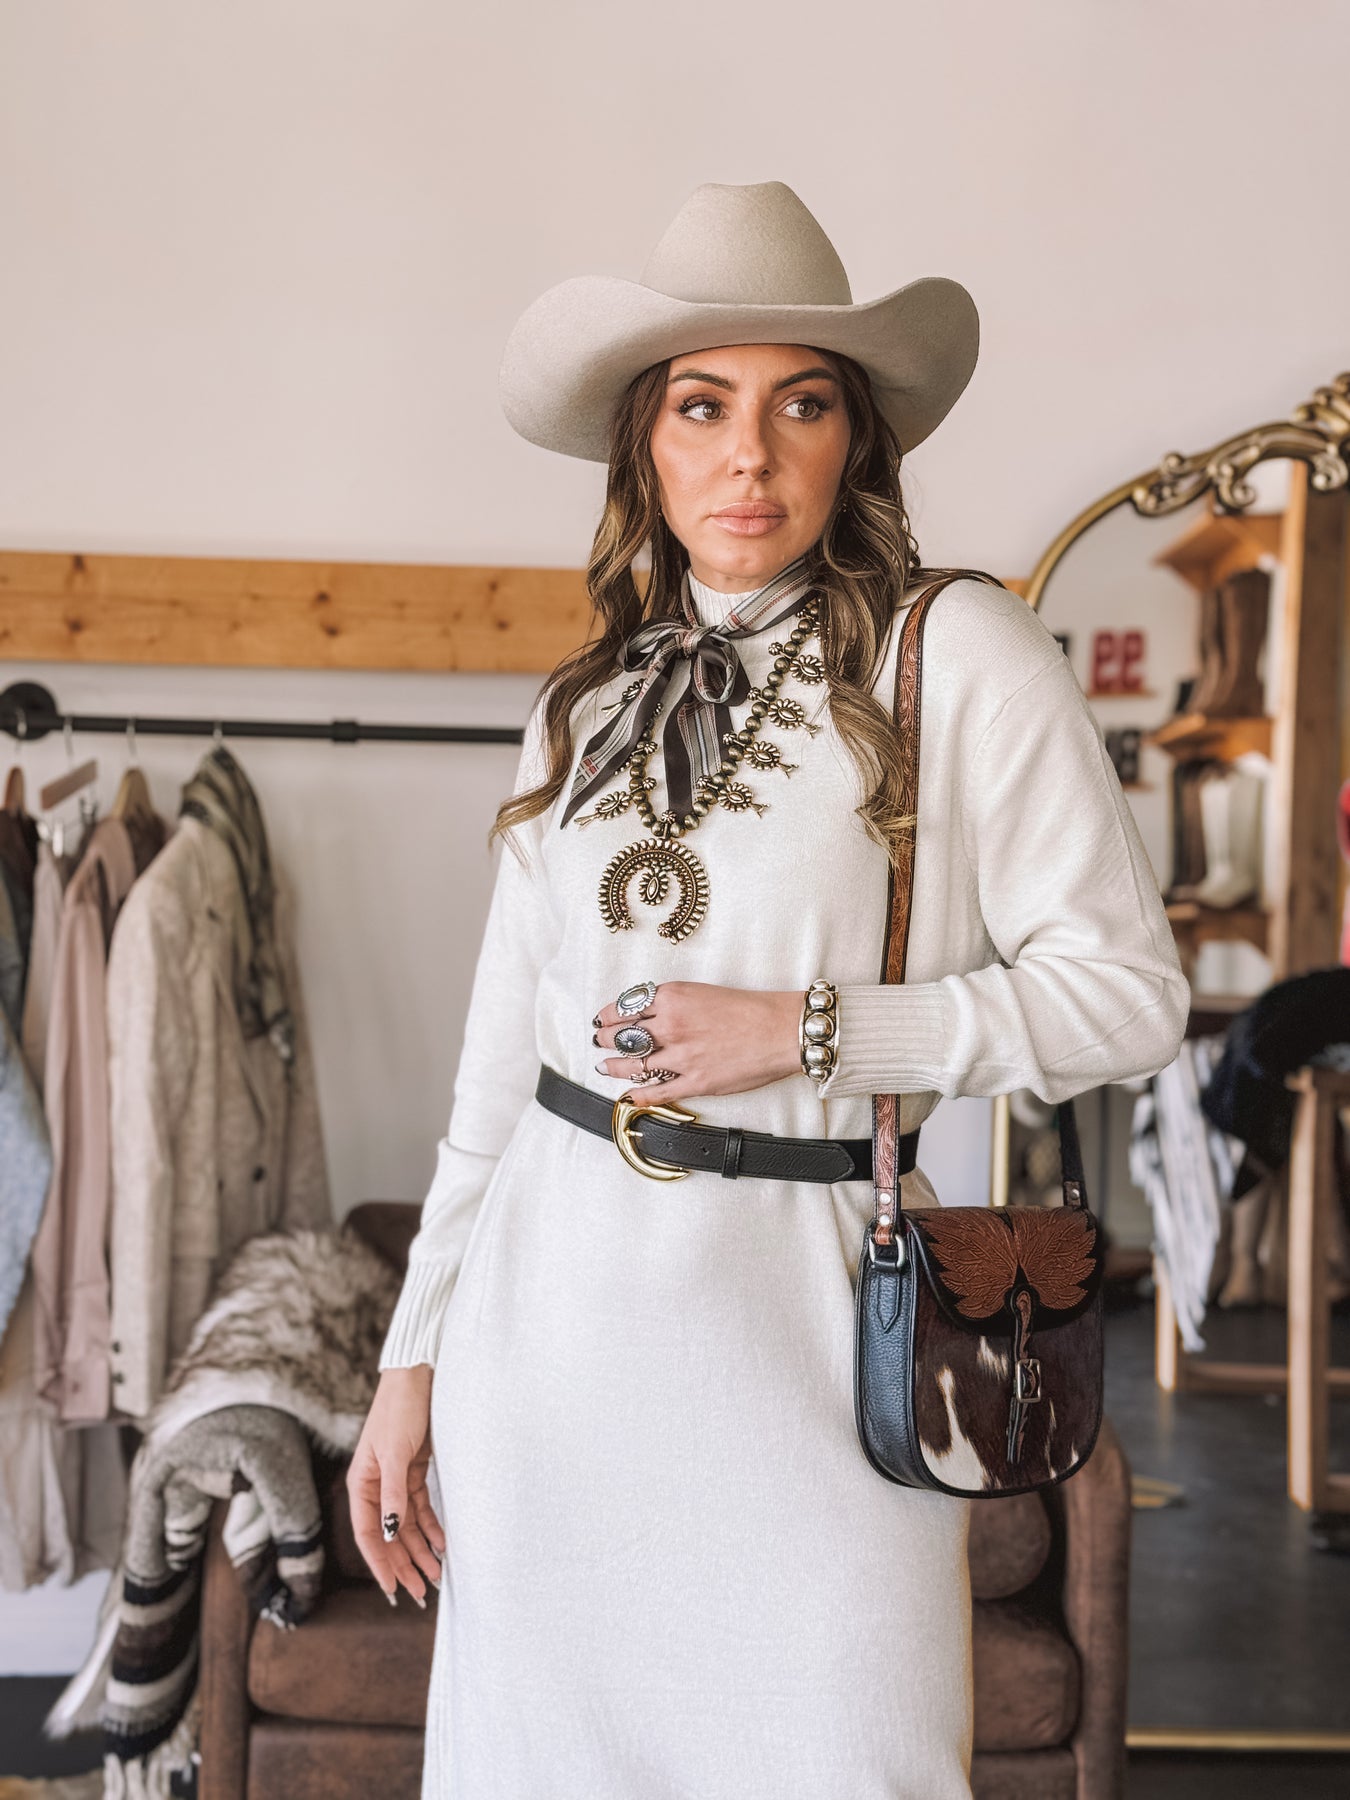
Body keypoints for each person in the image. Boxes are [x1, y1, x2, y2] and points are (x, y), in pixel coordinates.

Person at [347, 181, 1190, 1798]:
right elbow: (496, 1072)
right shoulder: (581, 704)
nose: (749, 455)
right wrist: (413, 1358)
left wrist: (815, 1034)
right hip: (550, 1329)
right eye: (701, 407)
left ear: (853, 441)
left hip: (812, 1322)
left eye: (800, 404)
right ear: (643, 448)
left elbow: (1127, 998)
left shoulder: (959, 657)